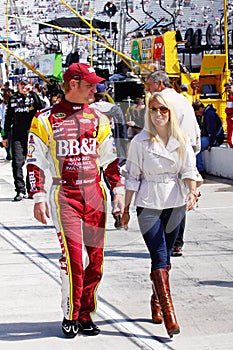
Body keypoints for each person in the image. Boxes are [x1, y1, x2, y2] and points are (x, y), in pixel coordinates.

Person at [26, 63, 125, 338]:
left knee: (95, 260)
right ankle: (70, 313)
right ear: (72, 84)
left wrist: (118, 190)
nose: (96, 89)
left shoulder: (99, 119)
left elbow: (110, 159)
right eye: (89, 84)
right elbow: (33, 161)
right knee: (74, 259)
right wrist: (37, 197)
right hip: (65, 195)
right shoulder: (45, 119)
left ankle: (85, 313)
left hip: (95, 195)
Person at [121, 91, 202, 338]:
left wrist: (191, 192)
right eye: (154, 109)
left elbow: (190, 169)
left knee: (166, 257)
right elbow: (132, 177)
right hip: (148, 203)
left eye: (163, 110)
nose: (158, 114)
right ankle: (169, 314)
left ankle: (156, 300)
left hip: (175, 202)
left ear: (170, 112)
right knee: (158, 255)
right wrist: (124, 209)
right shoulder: (140, 142)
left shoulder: (181, 139)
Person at [146, 70, 201, 257]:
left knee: (165, 199)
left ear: (160, 83)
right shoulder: (183, 99)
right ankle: (176, 242)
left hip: (169, 153)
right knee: (180, 198)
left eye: (150, 84)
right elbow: (194, 127)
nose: (148, 88)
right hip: (185, 151)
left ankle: (169, 241)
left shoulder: (161, 102)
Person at [90, 82, 128, 229]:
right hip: (112, 150)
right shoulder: (114, 109)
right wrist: (123, 150)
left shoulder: (88, 109)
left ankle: (95, 215)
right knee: (113, 182)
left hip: (92, 151)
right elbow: (122, 130)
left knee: (93, 184)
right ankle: (117, 211)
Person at [2, 77, 45, 200]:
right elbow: (8, 118)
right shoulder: (13, 99)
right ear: (18, 86)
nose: (24, 87)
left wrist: (33, 93)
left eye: (26, 85)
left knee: (32, 162)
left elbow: (42, 106)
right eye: (22, 85)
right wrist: (4, 137)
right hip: (17, 134)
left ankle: (31, 188)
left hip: (32, 134)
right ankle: (20, 190)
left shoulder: (33, 97)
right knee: (17, 162)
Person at [192, 101, 225, 176]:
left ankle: (200, 169)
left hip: (215, 139)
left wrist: (211, 144)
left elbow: (212, 131)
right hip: (210, 138)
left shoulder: (209, 115)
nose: (197, 114)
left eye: (197, 112)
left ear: (200, 109)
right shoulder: (206, 114)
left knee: (197, 146)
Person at [224, 81, 233, 148]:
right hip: (229, 117)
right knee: (229, 134)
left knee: (231, 135)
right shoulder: (230, 96)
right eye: (227, 88)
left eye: (229, 87)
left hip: (231, 117)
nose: (228, 89)